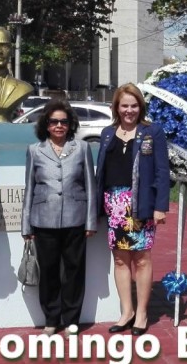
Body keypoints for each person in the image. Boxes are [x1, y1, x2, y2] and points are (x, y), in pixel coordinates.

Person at [95, 83, 170, 335]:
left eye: (134, 105)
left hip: (141, 202)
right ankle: (126, 311)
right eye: (124, 105)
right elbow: (101, 172)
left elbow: (162, 171)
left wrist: (161, 206)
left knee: (141, 258)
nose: (129, 110)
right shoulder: (107, 133)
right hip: (114, 203)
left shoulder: (152, 132)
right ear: (116, 107)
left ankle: (142, 313)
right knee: (119, 259)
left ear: (141, 107)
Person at [22, 100, 99, 334]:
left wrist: (91, 220)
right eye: (54, 121)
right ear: (46, 124)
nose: (58, 126)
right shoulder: (35, 150)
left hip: (75, 219)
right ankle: (51, 319)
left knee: (74, 271)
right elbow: (29, 188)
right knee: (49, 271)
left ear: (70, 125)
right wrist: (26, 225)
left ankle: (72, 319)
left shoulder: (82, 149)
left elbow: (90, 185)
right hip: (44, 220)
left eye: (63, 122)